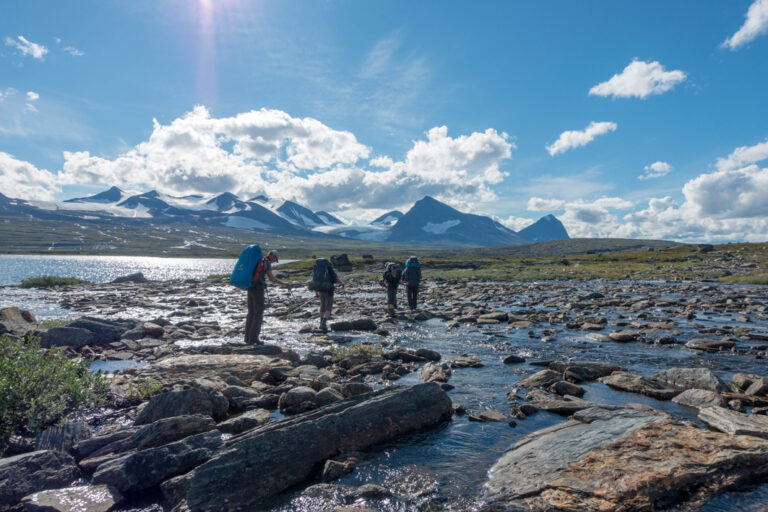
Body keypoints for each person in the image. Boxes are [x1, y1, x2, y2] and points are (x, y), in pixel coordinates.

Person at [245, 250, 291, 344]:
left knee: (251, 313)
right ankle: (253, 339)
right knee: (258, 313)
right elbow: (271, 278)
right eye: (275, 259)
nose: (275, 261)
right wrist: (284, 283)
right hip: (258, 289)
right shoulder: (266, 262)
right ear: (272, 256)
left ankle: (247, 338)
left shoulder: (258, 260)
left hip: (250, 287)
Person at [313, 259, 344, 332]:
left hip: (320, 290)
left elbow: (314, 281)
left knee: (322, 306)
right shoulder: (329, 269)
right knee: (328, 307)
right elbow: (336, 279)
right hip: (329, 290)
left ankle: (321, 323)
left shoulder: (317, 270)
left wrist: (316, 292)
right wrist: (342, 283)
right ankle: (324, 323)